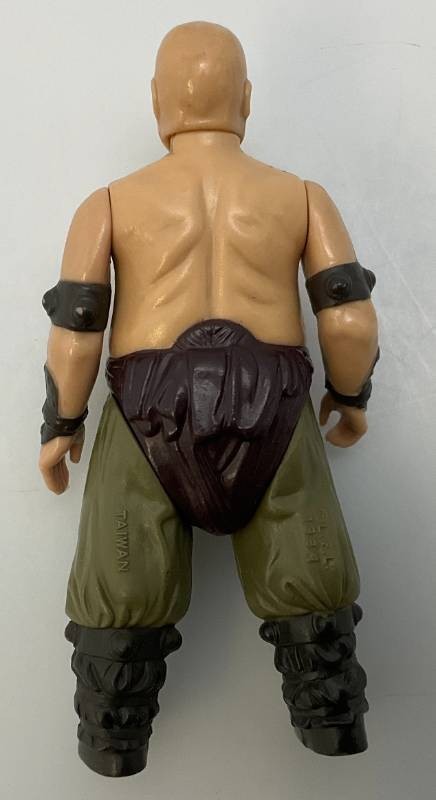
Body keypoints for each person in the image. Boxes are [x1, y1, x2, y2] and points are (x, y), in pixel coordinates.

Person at [39, 21, 379, 777]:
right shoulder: (300, 197)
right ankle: (333, 728)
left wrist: (61, 423)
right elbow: (350, 319)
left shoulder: (112, 203)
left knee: (119, 606)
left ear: (157, 102)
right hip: (275, 406)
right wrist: (351, 394)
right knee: (314, 598)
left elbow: (77, 331)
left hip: (147, 411)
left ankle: (111, 742)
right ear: (246, 100)